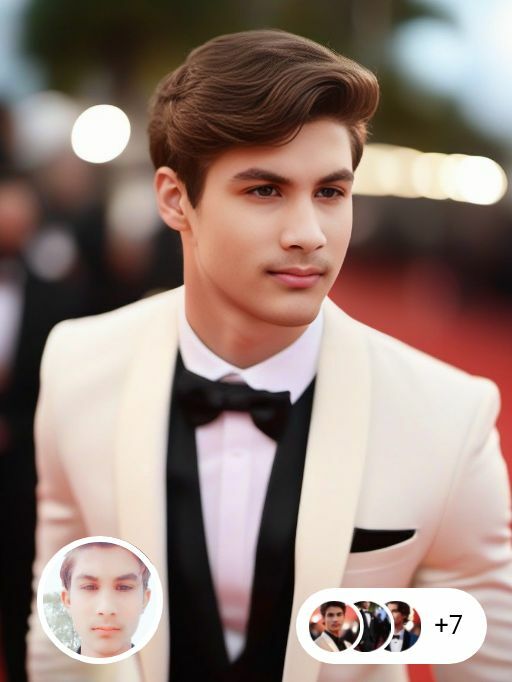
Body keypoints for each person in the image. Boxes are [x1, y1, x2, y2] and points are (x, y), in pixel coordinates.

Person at [27, 28, 512, 682]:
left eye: (330, 192)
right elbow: (65, 628)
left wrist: (363, 628)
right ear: (175, 199)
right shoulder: (77, 365)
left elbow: (479, 647)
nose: (309, 234)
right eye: (265, 190)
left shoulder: (448, 415)